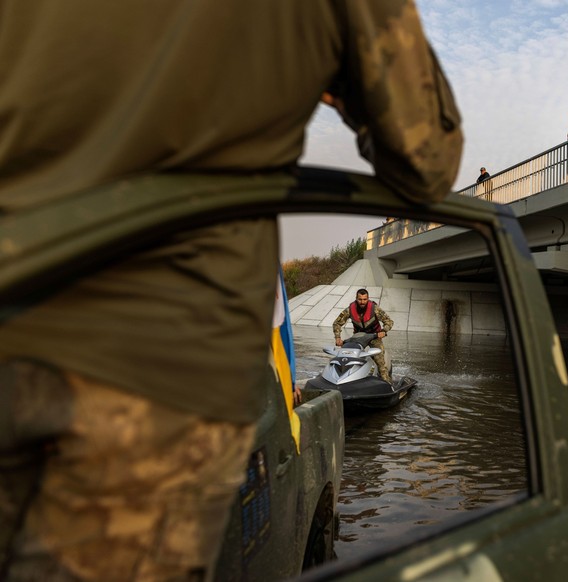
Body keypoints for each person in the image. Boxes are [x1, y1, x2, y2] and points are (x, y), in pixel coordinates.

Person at [0, 2, 462, 580]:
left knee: (379, 357)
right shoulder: (351, 306)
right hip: (155, 385)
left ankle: (383, 379)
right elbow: (426, 159)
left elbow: (378, 328)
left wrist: (374, 334)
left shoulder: (374, 312)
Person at [332, 289, 394, 383]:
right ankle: (345, 379)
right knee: (347, 357)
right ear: (356, 299)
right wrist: (338, 337)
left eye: (364, 299)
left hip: (374, 336)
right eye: (360, 299)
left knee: (380, 361)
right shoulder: (349, 310)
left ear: (368, 299)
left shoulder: (375, 308)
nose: (362, 302)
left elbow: (389, 321)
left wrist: (384, 331)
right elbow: (337, 323)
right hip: (358, 338)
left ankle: (387, 383)